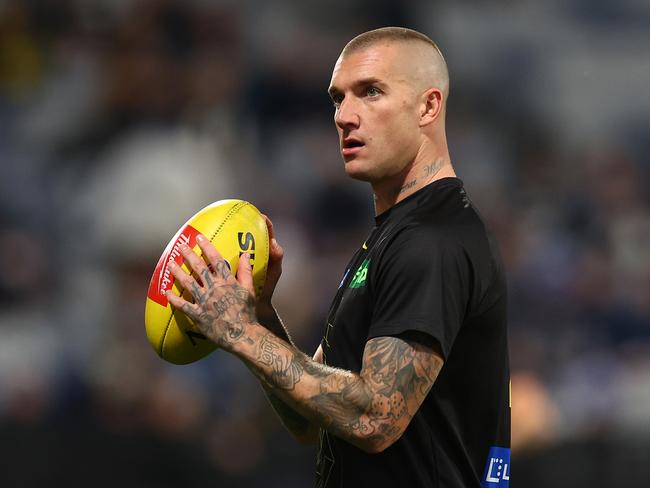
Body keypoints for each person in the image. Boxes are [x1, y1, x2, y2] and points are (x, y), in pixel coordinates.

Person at [166, 26, 510, 487]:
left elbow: (374, 419)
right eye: (337, 98)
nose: (345, 116)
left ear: (428, 106)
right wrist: (261, 317)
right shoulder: (393, 237)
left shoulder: (433, 240)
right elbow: (312, 419)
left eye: (371, 92)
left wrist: (242, 333)